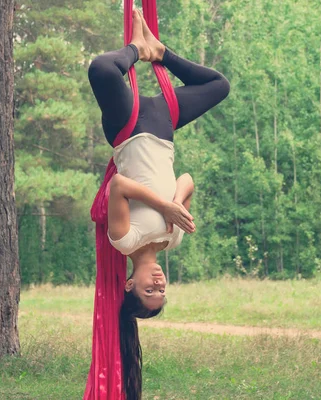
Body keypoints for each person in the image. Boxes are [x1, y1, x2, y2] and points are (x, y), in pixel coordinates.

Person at [87, 8, 229, 399]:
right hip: (164, 126)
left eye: (150, 292)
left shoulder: (125, 240)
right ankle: (159, 51)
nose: (159, 285)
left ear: (130, 285)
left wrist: (167, 210)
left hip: (130, 127)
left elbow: (119, 185)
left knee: (101, 69)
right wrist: (177, 200)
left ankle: (135, 48)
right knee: (220, 85)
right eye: (162, 292)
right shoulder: (173, 242)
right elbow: (187, 179)